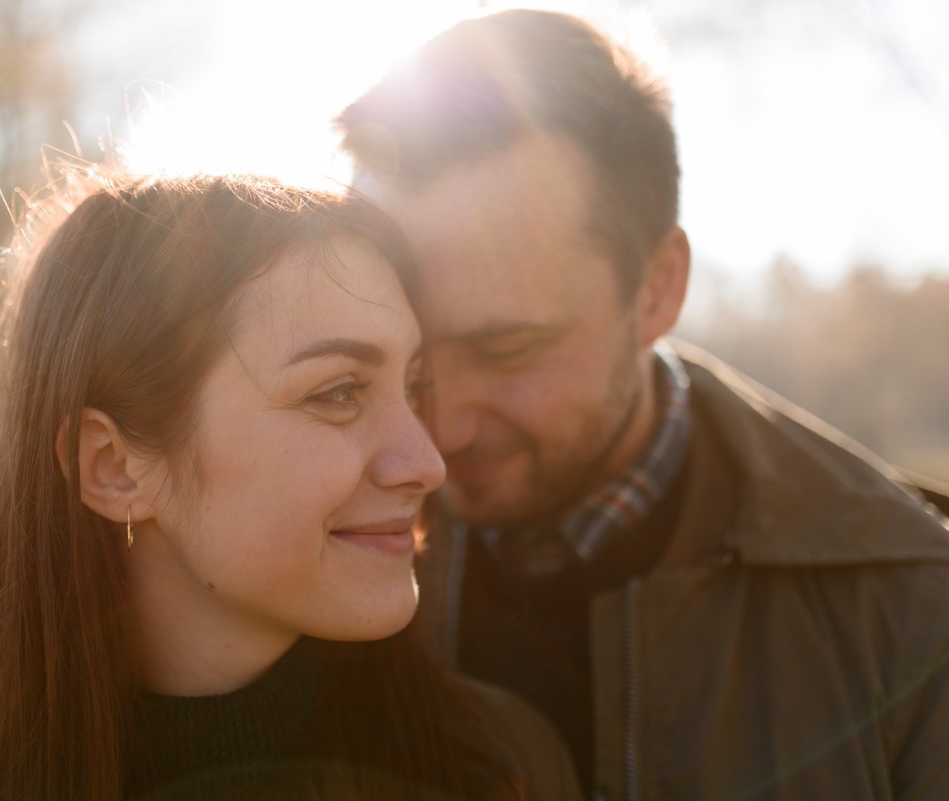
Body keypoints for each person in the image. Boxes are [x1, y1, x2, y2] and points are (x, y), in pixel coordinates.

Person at [0, 171, 583, 800]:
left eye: (413, 385)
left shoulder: (506, 771)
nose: (426, 460)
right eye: (338, 392)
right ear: (115, 466)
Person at [336, 9, 949, 801]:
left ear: (658, 287)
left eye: (509, 350)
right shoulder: (307, 561)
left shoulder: (910, 617)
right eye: (411, 359)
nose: (441, 430)